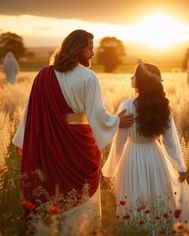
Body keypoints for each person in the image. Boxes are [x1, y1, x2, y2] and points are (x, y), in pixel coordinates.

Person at [12, 29, 133, 235]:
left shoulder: (43, 75)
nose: (93, 54)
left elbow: (30, 111)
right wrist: (116, 121)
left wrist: (22, 140)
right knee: (81, 198)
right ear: (78, 49)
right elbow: (97, 114)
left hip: (48, 147)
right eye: (90, 49)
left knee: (51, 191)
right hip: (78, 146)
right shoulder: (88, 77)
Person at [102, 60, 189, 235]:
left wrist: (110, 169)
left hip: (132, 158)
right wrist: (179, 166)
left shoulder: (127, 106)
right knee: (157, 200)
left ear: (141, 80)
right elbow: (170, 141)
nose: (131, 78)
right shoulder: (162, 106)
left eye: (134, 75)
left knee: (135, 201)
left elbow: (119, 142)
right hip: (155, 156)